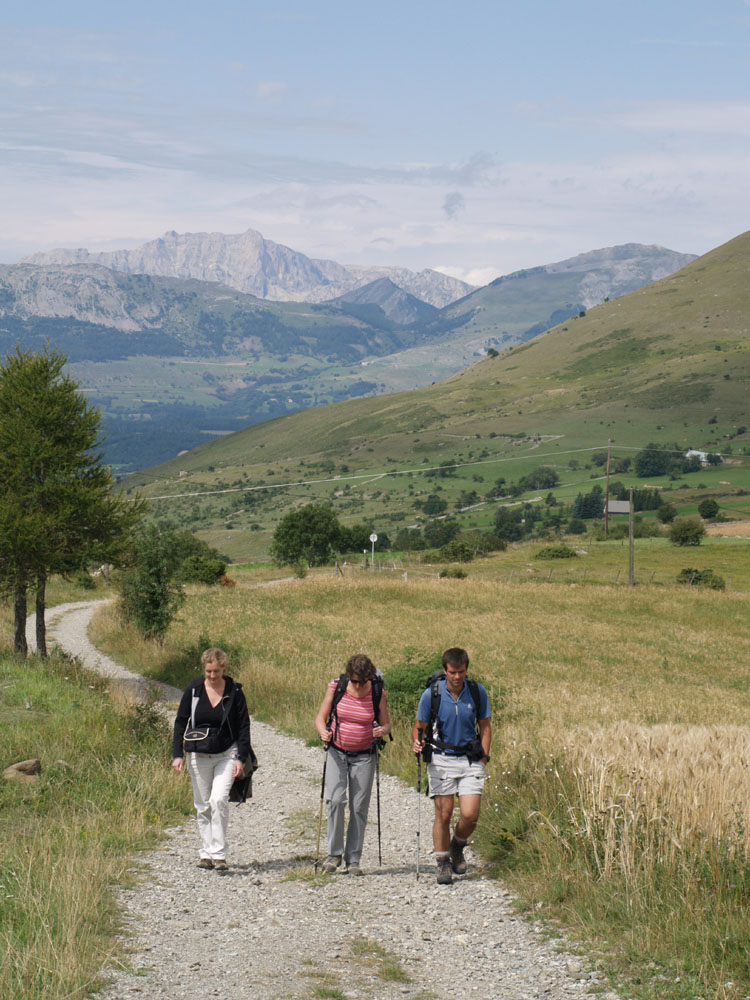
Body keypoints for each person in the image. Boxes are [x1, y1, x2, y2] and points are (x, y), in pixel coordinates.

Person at [412, 647, 491, 885]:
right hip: (441, 758)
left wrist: (484, 757)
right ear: (445, 670)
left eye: (461, 672)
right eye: (453, 672)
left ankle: (457, 845)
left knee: (470, 814)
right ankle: (443, 862)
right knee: (443, 813)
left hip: (470, 759)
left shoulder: (477, 692)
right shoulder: (431, 694)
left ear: (466, 670)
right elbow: (420, 727)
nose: (457, 677)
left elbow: (485, 726)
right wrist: (417, 743)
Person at [172, 647, 251, 870]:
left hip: (227, 754)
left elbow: (244, 726)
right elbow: (181, 721)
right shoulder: (194, 690)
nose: (213, 676)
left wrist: (240, 758)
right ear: (204, 669)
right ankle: (205, 853)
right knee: (203, 805)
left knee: (218, 800)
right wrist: (177, 754)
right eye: (209, 671)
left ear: (224, 669)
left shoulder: (234, 691)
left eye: (216, 671)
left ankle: (219, 854)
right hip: (198, 755)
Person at [314, 653, 391, 875]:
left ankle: (353, 859)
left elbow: (387, 724)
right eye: (354, 680)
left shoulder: (377, 692)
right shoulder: (337, 687)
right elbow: (320, 718)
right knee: (336, 800)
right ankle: (334, 855)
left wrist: (381, 730)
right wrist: (323, 732)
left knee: (359, 807)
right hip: (337, 752)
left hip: (365, 755)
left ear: (369, 678)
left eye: (362, 681)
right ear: (349, 676)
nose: (357, 685)